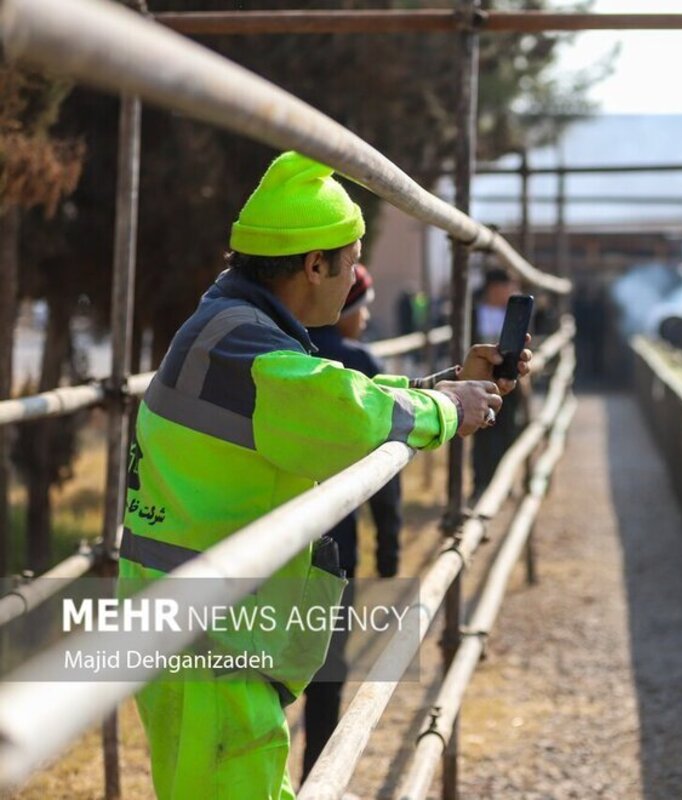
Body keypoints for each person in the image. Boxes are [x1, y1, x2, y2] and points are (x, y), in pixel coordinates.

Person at [118, 151, 529, 799]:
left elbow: (325, 399)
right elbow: (345, 413)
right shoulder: (247, 349)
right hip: (207, 637)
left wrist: (443, 386)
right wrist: (447, 409)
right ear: (315, 265)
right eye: (352, 261)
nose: (355, 279)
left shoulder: (232, 330)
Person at [301, 263, 403, 779]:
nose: (363, 319)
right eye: (360, 308)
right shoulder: (358, 364)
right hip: (335, 547)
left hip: (279, 538)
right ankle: (316, 779)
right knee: (326, 671)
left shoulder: (287, 354)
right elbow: (386, 471)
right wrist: (390, 548)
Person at [471, 268, 529, 497]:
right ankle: (481, 482)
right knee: (482, 434)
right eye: (508, 287)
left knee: (508, 430)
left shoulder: (514, 315)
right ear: (494, 288)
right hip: (479, 382)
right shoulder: (474, 313)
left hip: (508, 383)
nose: (511, 292)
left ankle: (504, 482)